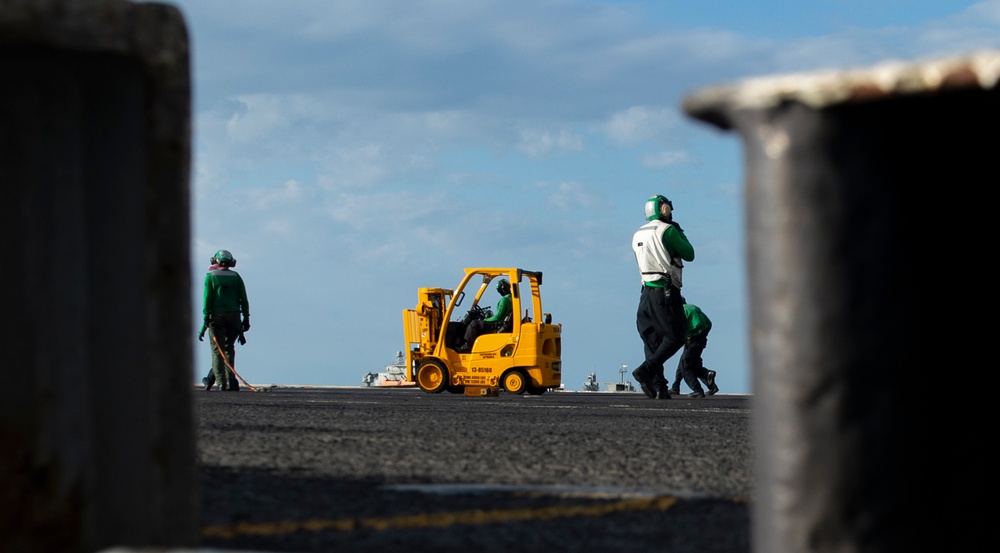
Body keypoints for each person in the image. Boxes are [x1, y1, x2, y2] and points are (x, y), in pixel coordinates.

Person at [630, 195, 695, 400]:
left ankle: (658, 387)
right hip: (665, 290)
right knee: (675, 336)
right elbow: (689, 253)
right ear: (665, 209)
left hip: (645, 293)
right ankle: (645, 370)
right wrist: (679, 233)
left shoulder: (638, 233)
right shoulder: (668, 230)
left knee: (651, 341)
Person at [198, 249, 250, 391]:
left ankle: (221, 383)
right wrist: (246, 319)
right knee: (229, 349)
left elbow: (207, 299)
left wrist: (205, 320)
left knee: (217, 350)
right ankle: (232, 381)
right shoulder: (236, 277)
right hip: (234, 317)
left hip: (217, 317)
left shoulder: (210, 276)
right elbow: (244, 300)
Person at [669, 298, 718, 398]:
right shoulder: (694, 307)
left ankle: (697, 390)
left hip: (691, 340)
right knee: (690, 363)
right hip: (701, 340)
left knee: (685, 366)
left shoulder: (680, 311)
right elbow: (709, 323)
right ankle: (676, 387)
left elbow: (676, 328)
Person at [458, 278, 512, 351]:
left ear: (503, 289)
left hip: (498, 324)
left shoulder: (504, 300)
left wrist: (485, 319)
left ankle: (467, 345)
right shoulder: (511, 299)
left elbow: (497, 317)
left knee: (474, 323)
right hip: (503, 323)